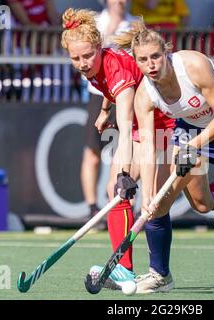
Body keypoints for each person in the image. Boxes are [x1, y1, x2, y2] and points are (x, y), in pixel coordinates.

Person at [113, 21, 214, 294]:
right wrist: (149, 195)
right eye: (143, 60)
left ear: (166, 52)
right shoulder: (144, 95)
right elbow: (147, 147)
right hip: (189, 132)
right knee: (183, 204)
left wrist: (194, 145)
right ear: (137, 62)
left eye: (156, 56)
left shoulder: (193, 66)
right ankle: (161, 276)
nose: (151, 64)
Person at [60, 8, 176, 289]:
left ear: (99, 48)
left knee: (203, 204)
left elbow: (124, 129)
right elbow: (107, 89)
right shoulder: (94, 68)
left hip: (169, 125)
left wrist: (124, 170)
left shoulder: (116, 69)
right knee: (118, 190)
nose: (82, 63)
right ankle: (124, 269)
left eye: (87, 55)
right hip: (143, 127)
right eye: (75, 58)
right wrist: (103, 110)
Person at [81, 0, 138, 231]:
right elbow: (96, 58)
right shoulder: (97, 22)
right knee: (92, 152)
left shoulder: (135, 24)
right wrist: (112, 26)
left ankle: (127, 206)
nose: (121, 1)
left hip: (127, 92)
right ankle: (92, 208)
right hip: (101, 94)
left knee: (129, 147)